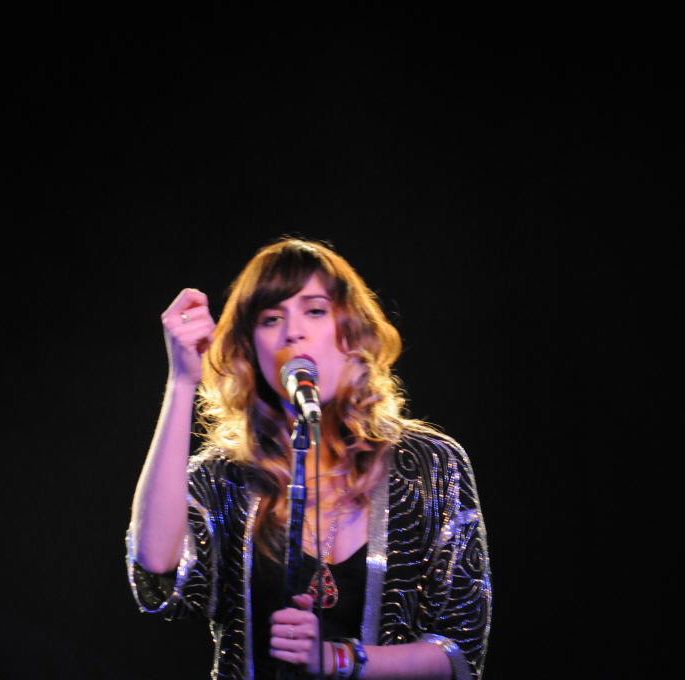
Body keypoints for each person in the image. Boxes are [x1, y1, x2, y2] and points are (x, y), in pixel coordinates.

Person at [126, 238, 491, 679]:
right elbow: (156, 566)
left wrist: (338, 659)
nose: (292, 332)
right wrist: (182, 381)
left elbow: (458, 651)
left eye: (315, 311)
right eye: (271, 318)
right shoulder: (224, 475)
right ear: (251, 349)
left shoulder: (428, 465)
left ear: (349, 330)